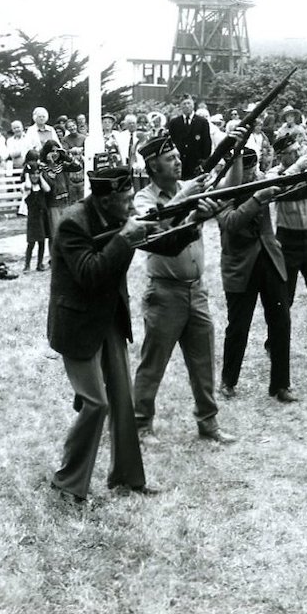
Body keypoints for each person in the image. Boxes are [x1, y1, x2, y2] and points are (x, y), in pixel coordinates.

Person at [47, 166, 158, 503]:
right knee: (96, 403)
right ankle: (68, 483)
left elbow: (162, 242)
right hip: (78, 323)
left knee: (122, 401)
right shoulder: (72, 222)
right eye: (125, 200)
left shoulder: (114, 212)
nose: (130, 206)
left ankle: (127, 478)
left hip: (109, 317)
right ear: (106, 198)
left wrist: (194, 217)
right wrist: (126, 237)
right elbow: (89, 273)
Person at [132, 135, 237, 445]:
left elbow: (230, 189)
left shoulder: (189, 186)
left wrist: (237, 152)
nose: (178, 161)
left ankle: (209, 423)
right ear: (153, 166)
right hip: (165, 292)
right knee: (154, 362)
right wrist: (186, 199)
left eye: (178, 156)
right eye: (170, 158)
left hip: (196, 289)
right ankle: (140, 425)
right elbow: (149, 225)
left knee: (204, 361)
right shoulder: (144, 198)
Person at [217, 147, 297, 403]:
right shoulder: (222, 192)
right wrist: (257, 198)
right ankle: (228, 381)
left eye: (252, 169)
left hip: (269, 259)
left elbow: (289, 181)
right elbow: (229, 222)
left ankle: (281, 385)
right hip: (240, 267)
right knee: (238, 327)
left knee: (281, 323)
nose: (251, 174)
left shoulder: (261, 183)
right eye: (245, 169)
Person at [267, 133, 307, 361]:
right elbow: (277, 185)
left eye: (297, 150)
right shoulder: (274, 173)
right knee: (285, 297)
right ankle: (274, 342)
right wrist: (297, 166)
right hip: (287, 240)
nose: (295, 154)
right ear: (279, 155)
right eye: (289, 153)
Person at [167, 94, 212, 179]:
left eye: (188, 103)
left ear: (193, 105)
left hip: (196, 163)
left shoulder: (202, 122)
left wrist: (203, 160)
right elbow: (171, 142)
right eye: (184, 104)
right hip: (180, 164)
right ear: (180, 106)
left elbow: (206, 142)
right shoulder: (174, 123)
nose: (187, 106)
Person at [21, 157, 51, 271]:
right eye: (33, 174)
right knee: (31, 242)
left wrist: (41, 176)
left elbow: (47, 189)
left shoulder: (41, 185)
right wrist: (28, 175)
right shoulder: (26, 185)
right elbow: (28, 187)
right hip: (33, 218)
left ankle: (39, 263)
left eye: (37, 173)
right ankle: (27, 265)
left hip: (42, 216)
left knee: (42, 241)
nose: (35, 176)